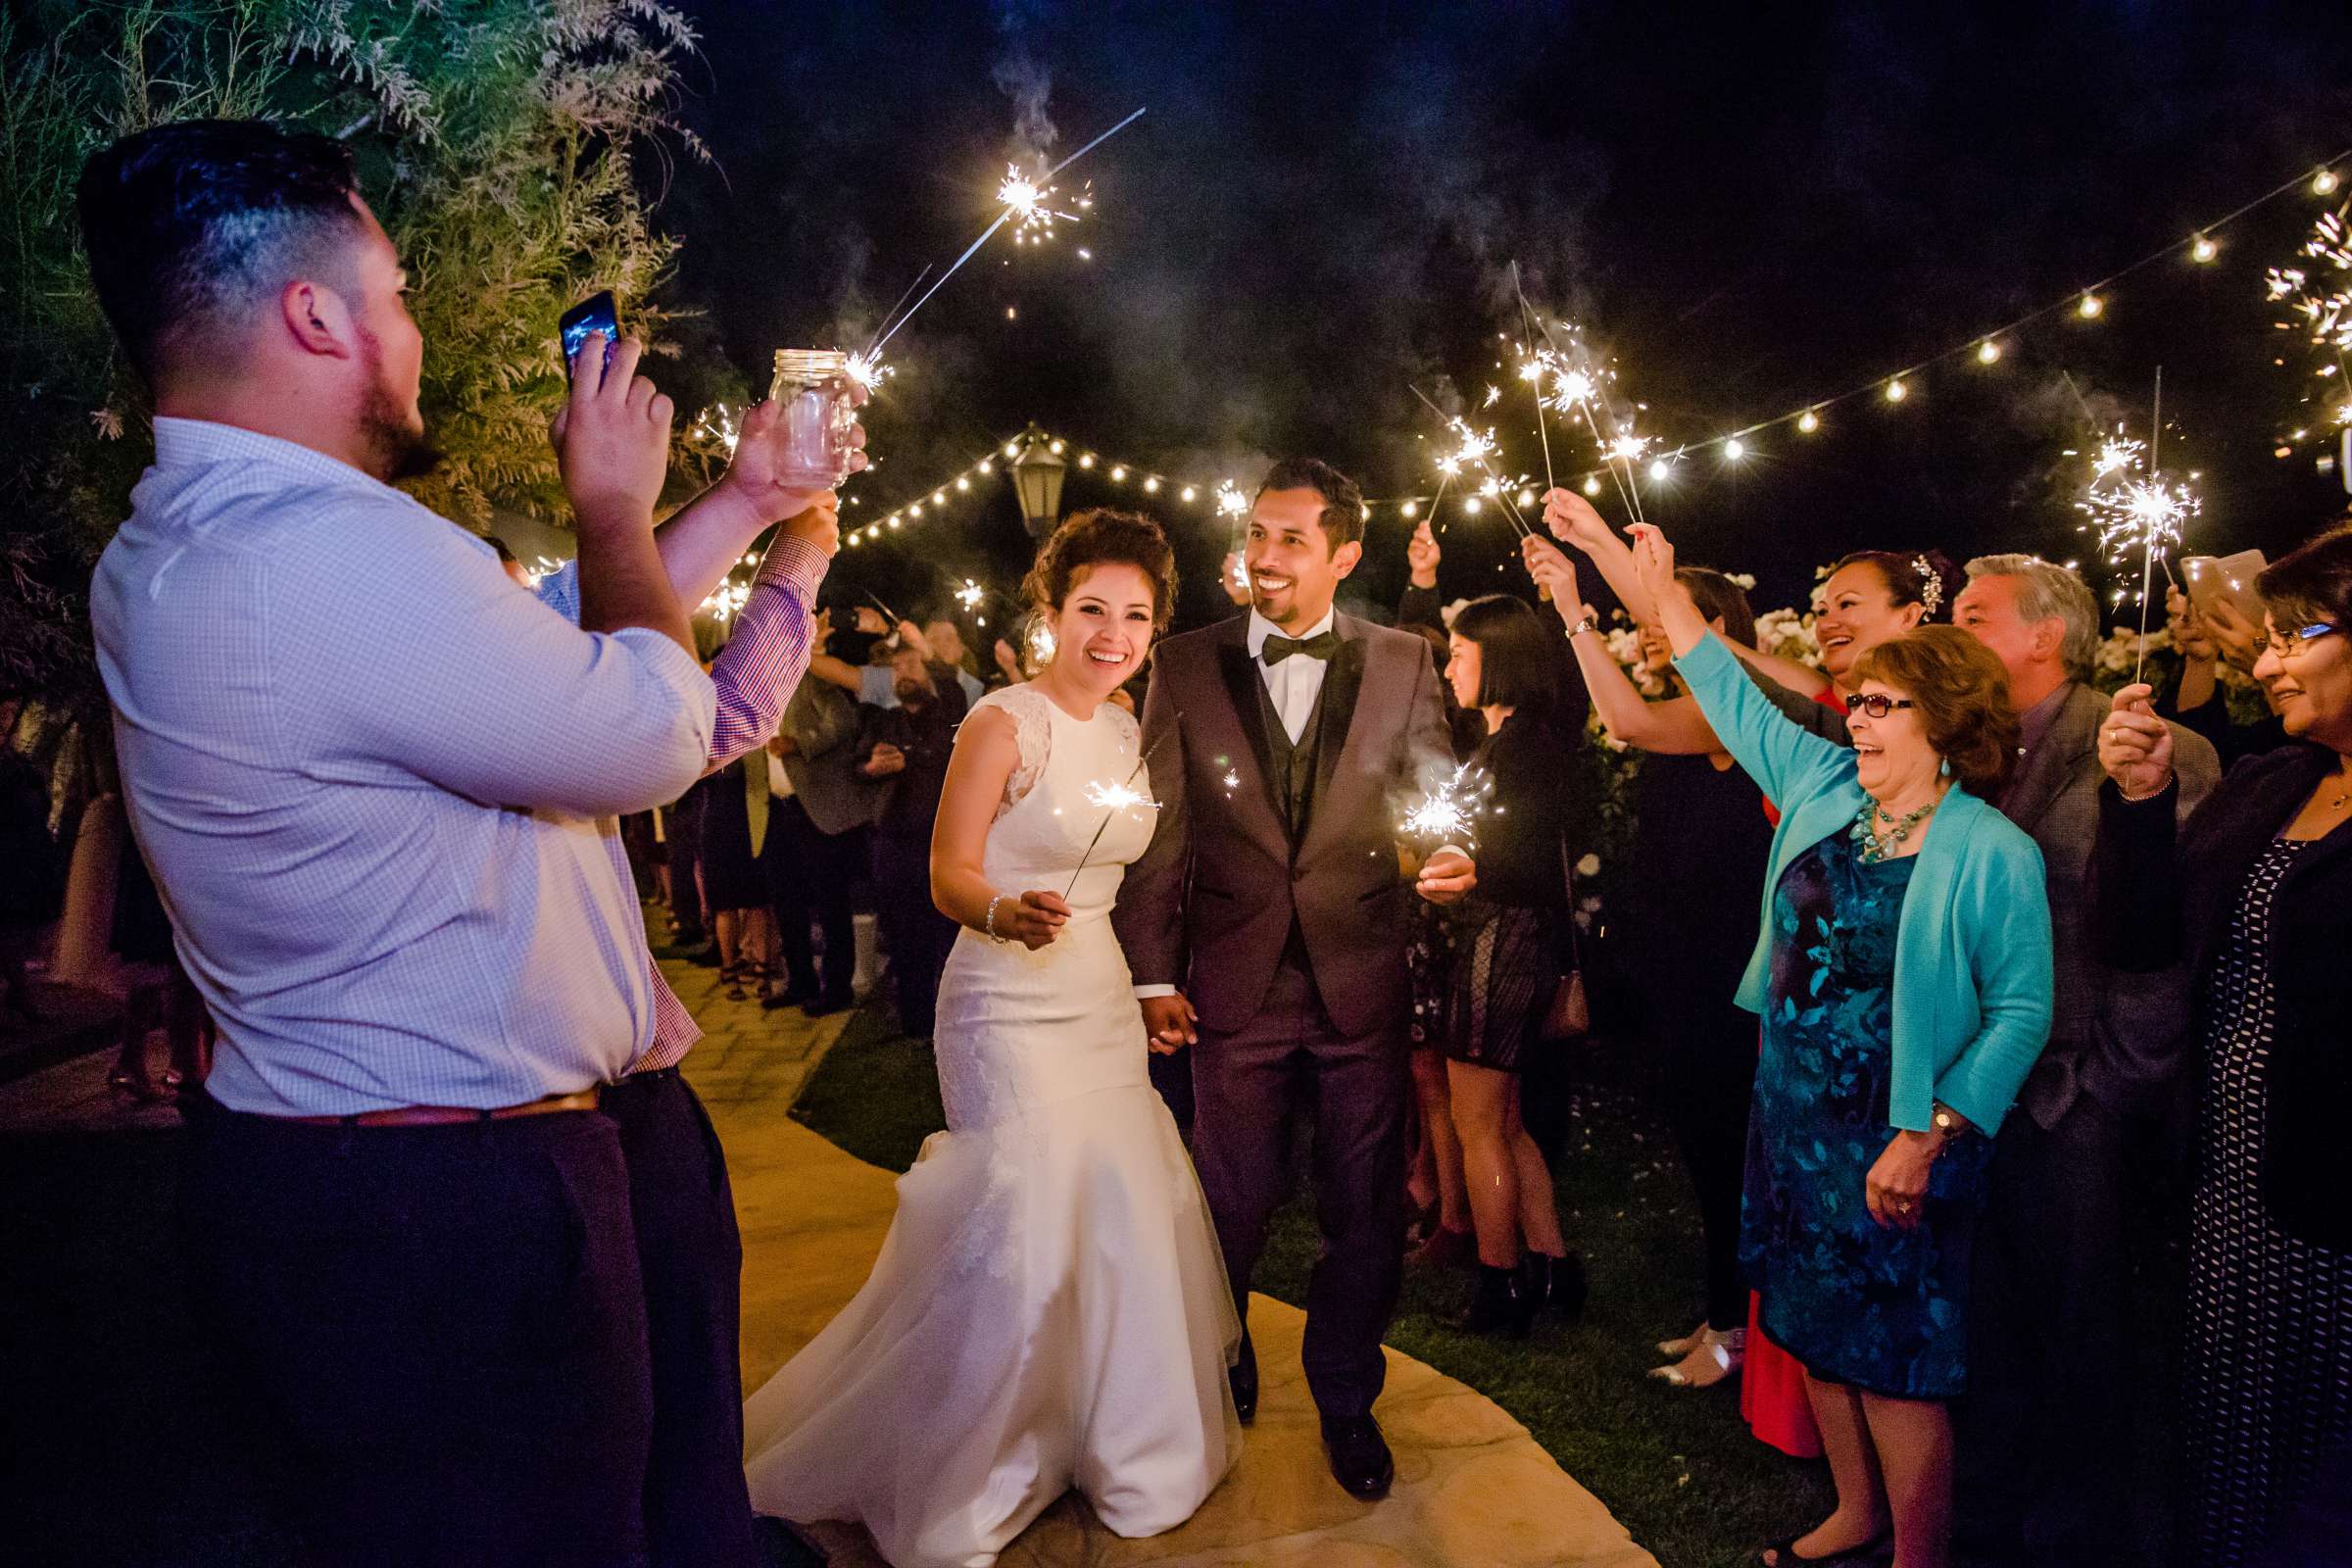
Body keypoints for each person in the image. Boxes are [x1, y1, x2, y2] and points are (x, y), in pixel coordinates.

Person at [79, 120, 851, 1566]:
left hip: (375, 1182)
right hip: (438, 1219)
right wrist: (613, 502)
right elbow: (642, 728)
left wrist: (744, 503)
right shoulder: (314, 554)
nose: (415, 331)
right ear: (315, 317)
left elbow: (555, 650)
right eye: (398, 295)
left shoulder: (200, 536)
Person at [744, 510, 1238, 1567]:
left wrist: (1150, 983)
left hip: (1098, 997)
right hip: (1005, 1005)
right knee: (1018, 1232)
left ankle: (1116, 1445)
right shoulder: (1003, 722)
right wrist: (1004, 912)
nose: (1114, 632)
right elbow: (948, 872)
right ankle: (975, 1467)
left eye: (1137, 614)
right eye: (1093, 609)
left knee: (1111, 1211)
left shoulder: (1125, 727)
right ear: (1049, 613)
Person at [1633, 523, 2053, 1568]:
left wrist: (1931, 1136)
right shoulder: (1825, 788)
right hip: (1792, 1114)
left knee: (1895, 1359)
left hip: (1897, 1135)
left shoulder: (1994, 849)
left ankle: (1918, 1554)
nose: (1854, 715)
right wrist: (1630, 572)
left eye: (1880, 703)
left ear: (1946, 722)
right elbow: (1720, 685)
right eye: (1855, 701)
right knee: (1810, 1328)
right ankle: (1852, 1511)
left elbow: (2021, 1011)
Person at [1112, 458, 1476, 1500]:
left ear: (1344, 555)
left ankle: (1347, 1399)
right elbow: (1159, 833)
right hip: (1233, 986)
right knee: (1228, 1202)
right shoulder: (1183, 664)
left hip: (1361, 980)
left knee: (1363, 1210)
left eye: (1290, 540)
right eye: (1256, 534)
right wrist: (1150, 976)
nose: (1264, 557)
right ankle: (1214, 1368)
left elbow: (1432, 786)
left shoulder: (1406, 658)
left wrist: (1447, 851)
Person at [1942, 555, 2221, 1566]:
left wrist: (2116, 1078)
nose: (1952, 635)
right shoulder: (1966, 750)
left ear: (2043, 636)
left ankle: (2077, 1536)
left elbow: (2168, 937)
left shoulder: (2155, 743)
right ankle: (1984, 1523)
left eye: (1972, 617)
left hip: (2080, 1094)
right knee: (1991, 1326)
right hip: (1979, 1089)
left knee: (2084, 1337)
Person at [2095, 523, 2352, 1568]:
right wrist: (2145, 802)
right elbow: (2144, 938)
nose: (2264, 662)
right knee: (2237, 1441)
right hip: (2230, 1185)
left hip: (2337, 1201)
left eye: (2295, 634)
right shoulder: (2271, 780)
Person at [1532, 547, 1779, 1388]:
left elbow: (1629, 721)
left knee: (1724, 1152)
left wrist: (1573, 603)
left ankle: (1737, 1333)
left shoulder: (1730, 718)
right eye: (1639, 627)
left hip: (1725, 976)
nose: (1646, 641)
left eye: (1655, 623)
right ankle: (1721, 1315)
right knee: (1704, 1153)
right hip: (1680, 969)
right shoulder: (1689, 710)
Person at [1438, 595, 1583, 1335]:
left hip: (1503, 937)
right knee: (1508, 1117)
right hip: (1514, 937)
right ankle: (1552, 1265)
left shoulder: (1524, 747)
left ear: (1498, 657)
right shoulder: (1515, 740)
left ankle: (1500, 1285)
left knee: (1477, 1122)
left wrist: (1460, 871)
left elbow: (1519, 858)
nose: (1449, 665)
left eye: (1460, 652)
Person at [857, 641, 968, 1038]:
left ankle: (956, 1015)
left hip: (941, 841)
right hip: (893, 843)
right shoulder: (883, 719)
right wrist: (872, 766)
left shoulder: (951, 712)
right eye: (897, 666)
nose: (904, 672)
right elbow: (859, 763)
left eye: (911, 664)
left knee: (949, 934)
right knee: (903, 936)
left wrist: (909, 756)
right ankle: (914, 1021)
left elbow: (947, 757)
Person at [763, 626, 874, 1014]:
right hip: (775, 807)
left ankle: (837, 987)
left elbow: (842, 723)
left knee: (829, 900)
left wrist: (799, 742)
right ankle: (800, 981)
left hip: (815, 805)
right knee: (786, 899)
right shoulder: (754, 689)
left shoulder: (808, 677)